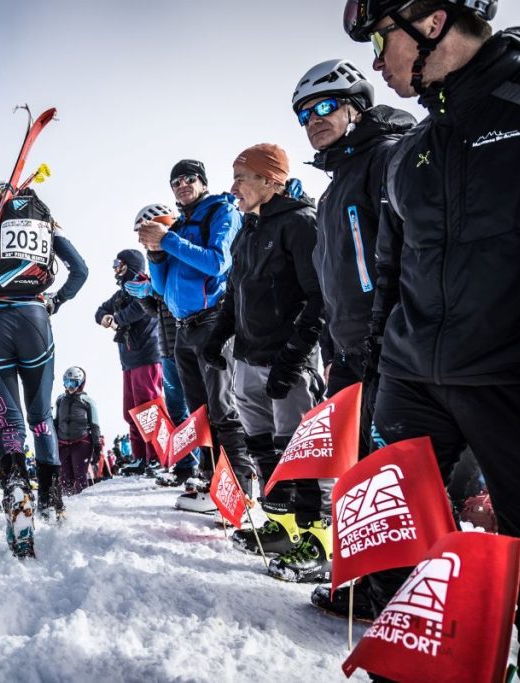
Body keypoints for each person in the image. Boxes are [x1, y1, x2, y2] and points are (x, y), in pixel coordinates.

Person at [344, 0, 520, 672]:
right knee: (394, 556)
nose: (377, 63)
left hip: (511, 379)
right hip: (412, 377)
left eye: (380, 40)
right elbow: (391, 273)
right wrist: (375, 368)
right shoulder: (409, 151)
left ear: (430, 20)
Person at [290, 57, 416, 617]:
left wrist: (390, 329)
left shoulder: (385, 158)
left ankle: (399, 591)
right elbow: (332, 280)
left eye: (325, 106)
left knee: (389, 469)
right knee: (359, 467)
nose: (313, 120)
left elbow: (406, 250)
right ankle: (376, 582)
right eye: (304, 115)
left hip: (390, 341)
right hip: (348, 347)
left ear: (356, 108)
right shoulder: (335, 185)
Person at [205, 144, 328, 582]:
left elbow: (319, 298)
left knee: (300, 450)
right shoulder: (248, 229)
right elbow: (234, 293)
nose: (234, 186)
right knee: (263, 446)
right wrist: (219, 335)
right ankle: (282, 526)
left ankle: (318, 539)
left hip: (287, 361)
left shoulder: (300, 223)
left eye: (242, 177)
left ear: (270, 181)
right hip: (248, 358)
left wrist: (293, 358)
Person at [0, 185, 88, 557]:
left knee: (10, 425)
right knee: (41, 418)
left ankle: (17, 495)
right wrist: (56, 301)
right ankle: (52, 501)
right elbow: (81, 270)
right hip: (35, 318)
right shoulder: (46, 220)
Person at [137, 160, 250, 511]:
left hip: (215, 321)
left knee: (222, 408)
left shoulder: (220, 211)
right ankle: (212, 481)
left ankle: (240, 489)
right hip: (184, 328)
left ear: (202, 182)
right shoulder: (180, 224)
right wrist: (155, 255)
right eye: (176, 182)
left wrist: (167, 240)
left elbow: (218, 262)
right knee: (200, 413)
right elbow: (160, 288)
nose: (182, 185)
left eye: (189, 178)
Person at [96, 249, 163, 473]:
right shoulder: (121, 294)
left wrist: (116, 318)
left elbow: (139, 310)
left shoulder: (144, 286)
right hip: (128, 359)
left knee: (148, 407)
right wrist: (104, 317)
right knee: (131, 410)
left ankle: (156, 456)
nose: (115, 268)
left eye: (118, 263)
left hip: (147, 355)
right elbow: (100, 310)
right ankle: (140, 456)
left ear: (130, 265)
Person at [54, 367, 102, 497]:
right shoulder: (60, 400)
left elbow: (95, 425)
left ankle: (82, 502)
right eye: (67, 382)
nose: (70, 386)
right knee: (64, 478)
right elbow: (56, 421)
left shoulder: (88, 401)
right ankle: (67, 503)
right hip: (62, 444)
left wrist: (97, 446)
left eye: (73, 383)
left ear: (80, 383)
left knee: (80, 475)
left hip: (81, 443)